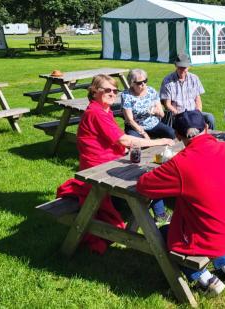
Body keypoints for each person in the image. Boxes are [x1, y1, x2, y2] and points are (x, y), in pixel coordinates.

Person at [57, 74, 174, 254]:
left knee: (150, 171)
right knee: (148, 177)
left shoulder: (104, 110)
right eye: (107, 90)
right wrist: (160, 141)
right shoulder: (96, 112)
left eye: (115, 90)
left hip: (108, 159)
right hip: (98, 168)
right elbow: (124, 140)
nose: (112, 93)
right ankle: (152, 218)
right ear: (95, 92)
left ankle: (155, 213)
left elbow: (115, 141)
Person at [137, 110, 225, 297]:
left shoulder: (180, 163)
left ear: (178, 136)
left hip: (213, 235)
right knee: (208, 217)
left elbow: (143, 185)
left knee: (164, 232)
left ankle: (204, 280)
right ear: (206, 127)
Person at [159, 54, 215, 129]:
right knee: (187, 125)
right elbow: (167, 105)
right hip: (177, 115)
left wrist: (197, 114)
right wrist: (178, 114)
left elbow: (197, 99)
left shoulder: (194, 78)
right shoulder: (167, 81)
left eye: (184, 68)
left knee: (210, 118)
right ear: (175, 65)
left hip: (193, 113)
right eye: (180, 67)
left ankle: (207, 138)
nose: (182, 70)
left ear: (189, 67)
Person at [122, 69, 175, 139]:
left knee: (171, 133)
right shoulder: (126, 95)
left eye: (145, 81)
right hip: (135, 127)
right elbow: (130, 120)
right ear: (132, 83)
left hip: (153, 124)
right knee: (135, 142)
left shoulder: (151, 91)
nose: (143, 84)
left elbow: (162, 114)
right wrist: (144, 133)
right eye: (139, 83)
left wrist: (156, 111)